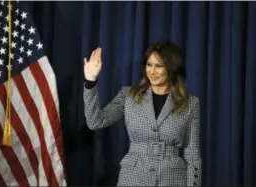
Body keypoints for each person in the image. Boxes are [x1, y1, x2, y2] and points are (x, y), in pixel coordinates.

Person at [83, 40, 202, 186]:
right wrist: (90, 81)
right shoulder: (128, 96)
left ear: (172, 68)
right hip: (133, 177)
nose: (152, 71)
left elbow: (192, 155)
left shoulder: (190, 103)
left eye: (159, 66)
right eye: (149, 65)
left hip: (173, 179)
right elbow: (95, 121)